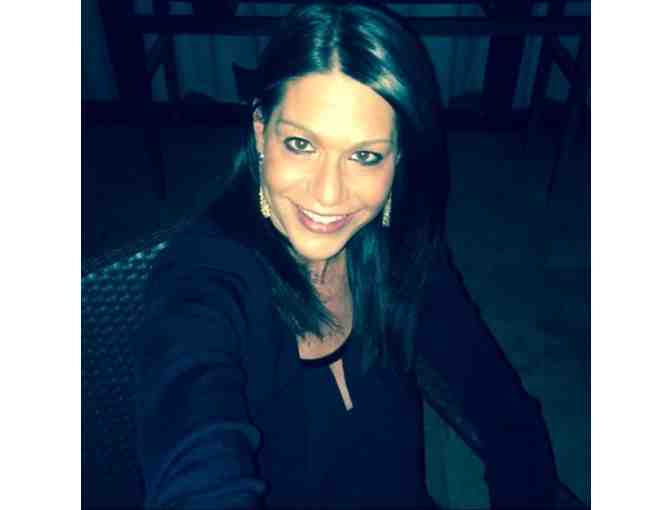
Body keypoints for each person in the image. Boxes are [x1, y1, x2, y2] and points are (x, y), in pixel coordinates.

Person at [134, 1, 560, 508]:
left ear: (399, 158)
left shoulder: (399, 240)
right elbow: (194, 452)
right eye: (301, 144)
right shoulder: (200, 281)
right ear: (260, 133)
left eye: (365, 155)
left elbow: (499, 402)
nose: (328, 194)